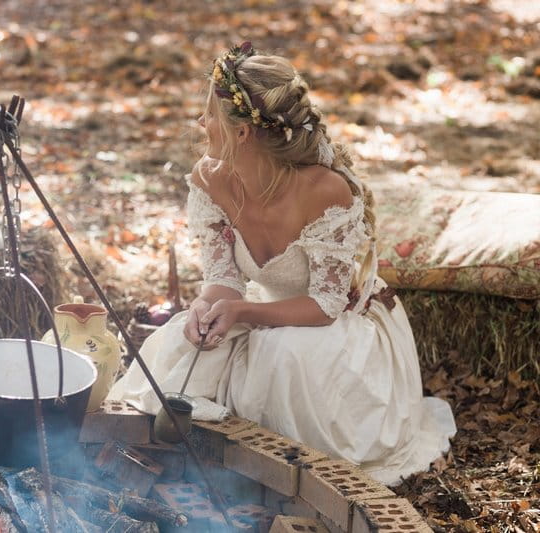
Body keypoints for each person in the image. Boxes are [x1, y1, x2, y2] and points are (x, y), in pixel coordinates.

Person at [107, 42, 456, 486]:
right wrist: (208, 308)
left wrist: (243, 312)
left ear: (242, 133)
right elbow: (222, 281)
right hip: (263, 308)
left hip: (331, 325)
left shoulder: (324, 191)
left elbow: (326, 305)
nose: (200, 122)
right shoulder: (209, 178)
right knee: (183, 340)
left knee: (284, 354)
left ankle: (285, 472)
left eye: (210, 114)